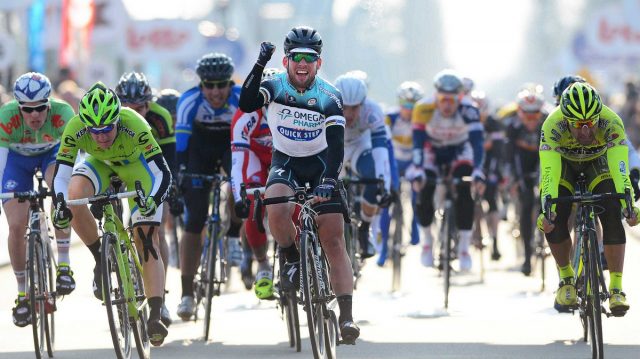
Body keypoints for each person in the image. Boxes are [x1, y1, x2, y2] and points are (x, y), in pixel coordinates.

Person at [238, 25, 360, 344]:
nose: (302, 64)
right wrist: (260, 63)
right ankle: (292, 260)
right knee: (275, 204)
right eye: (296, 58)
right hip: (287, 162)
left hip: (321, 165)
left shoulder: (329, 95)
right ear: (287, 60)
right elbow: (248, 101)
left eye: (309, 58)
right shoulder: (274, 85)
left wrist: (330, 181)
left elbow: (336, 146)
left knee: (333, 239)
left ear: (318, 63)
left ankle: (346, 316)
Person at [51, 82, 172, 345]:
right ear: (85, 125)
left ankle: (154, 312)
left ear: (117, 119)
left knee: (147, 238)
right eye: (95, 131)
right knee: (74, 196)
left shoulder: (135, 123)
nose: (102, 136)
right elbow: (61, 175)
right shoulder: (75, 128)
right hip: (100, 165)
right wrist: (59, 205)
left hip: (137, 167)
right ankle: (99, 259)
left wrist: (153, 200)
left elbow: (163, 172)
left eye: (107, 129)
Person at [537, 82, 639, 316]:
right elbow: (550, 174)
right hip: (565, 166)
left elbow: (620, 170)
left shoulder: (611, 120)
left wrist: (629, 205)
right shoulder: (553, 124)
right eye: (578, 126)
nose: (585, 132)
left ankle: (615, 288)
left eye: (590, 124)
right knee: (555, 214)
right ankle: (566, 280)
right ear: (566, 120)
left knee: (613, 210)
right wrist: (547, 209)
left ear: (598, 117)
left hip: (598, 163)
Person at [1, 72, 76, 327]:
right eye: (27, 109)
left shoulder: (63, 113)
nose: (35, 115)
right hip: (16, 162)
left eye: (41, 108)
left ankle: (64, 266)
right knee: (15, 226)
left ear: (49, 103)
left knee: (60, 189)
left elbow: (72, 159)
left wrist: (63, 191)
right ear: (18, 107)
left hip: (51, 155)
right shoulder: (6, 116)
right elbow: (0, 163)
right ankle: (22, 293)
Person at [175, 52, 244, 321]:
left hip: (232, 145)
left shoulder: (240, 99)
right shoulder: (189, 101)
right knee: (195, 219)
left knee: (241, 188)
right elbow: (181, 148)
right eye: (209, 85)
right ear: (201, 84)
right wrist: (180, 179)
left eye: (222, 84)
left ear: (231, 83)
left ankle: (234, 234)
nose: (216, 91)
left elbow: (246, 142)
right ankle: (187, 293)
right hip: (199, 150)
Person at [408, 69, 485, 271]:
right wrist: (417, 168)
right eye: (443, 99)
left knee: (464, 189)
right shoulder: (423, 108)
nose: (448, 105)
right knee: (425, 189)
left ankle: (463, 248)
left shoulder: (470, 109)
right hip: (432, 150)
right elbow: (417, 143)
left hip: (460, 150)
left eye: (452, 100)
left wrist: (478, 170)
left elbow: (478, 144)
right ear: (436, 96)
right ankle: (427, 241)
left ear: (460, 97)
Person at [115, 72, 175, 327]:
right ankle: (116, 261)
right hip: (118, 167)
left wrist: (173, 190)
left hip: (150, 171)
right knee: (115, 220)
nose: (133, 113)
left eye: (138, 108)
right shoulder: (112, 118)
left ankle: (159, 295)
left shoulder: (160, 117)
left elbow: (169, 157)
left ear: (148, 104)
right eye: (127, 107)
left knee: (154, 233)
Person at [230, 68, 280, 299]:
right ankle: (262, 264)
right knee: (252, 203)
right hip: (255, 158)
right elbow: (239, 159)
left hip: (284, 157)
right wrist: (240, 196)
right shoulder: (245, 116)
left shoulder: (293, 109)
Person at [335, 73, 391, 260]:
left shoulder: (372, 111)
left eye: (355, 108)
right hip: (335, 147)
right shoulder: (325, 106)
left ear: (363, 103)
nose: (349, 114)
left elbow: (381, 148)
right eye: (345, 108)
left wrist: (383, 182)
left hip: (360, 146)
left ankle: (365, 229)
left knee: (373, 178)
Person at [377, 81, 423, 266]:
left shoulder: (421, 120)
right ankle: (384, 250)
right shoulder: (391, 117)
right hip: (393, 162)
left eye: (413, 105)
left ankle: (414, 228)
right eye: (405, 105)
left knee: (417, 191)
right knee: (385, 203)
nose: (409, 110)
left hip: (412, 162)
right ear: (399, 103)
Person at [504, 88, 547, 275]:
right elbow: (508, 155)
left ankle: (544, 236)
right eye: (526, 116)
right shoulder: (512, 126)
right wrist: (512, 178)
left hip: (543, 163)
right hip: (522, 167)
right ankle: (528, 257)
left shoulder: (547, 122)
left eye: (534, 115)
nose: (531, 120)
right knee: (526, 204)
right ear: (519, 112)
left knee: (545, 204)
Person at [471, 90, 505, 261]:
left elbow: (498, 150)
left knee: (492, 202)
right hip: (472, 163)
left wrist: (496, 173)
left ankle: (495, 240)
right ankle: (472, 233)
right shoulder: (466, 120)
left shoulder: (494, 123)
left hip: (491, 164)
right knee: (469, 201)